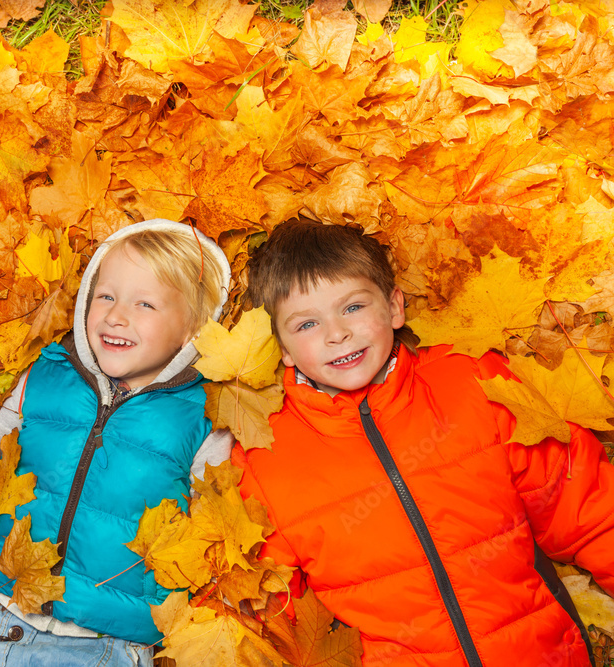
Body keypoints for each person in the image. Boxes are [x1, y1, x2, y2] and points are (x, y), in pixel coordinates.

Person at [234, 219, 614, 666]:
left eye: (353, 308)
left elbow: (588, 510)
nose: (336, 333)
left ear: (394, 306)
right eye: (307, 324)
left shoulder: (471, 381)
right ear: (280, 347)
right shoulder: (267, 455)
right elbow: (267, 610)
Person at [0, 219, 234, 667]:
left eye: (145, 303)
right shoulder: (47, 378)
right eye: (106, 296)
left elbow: (213, 523)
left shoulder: (202, 417)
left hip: (112, 637)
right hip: (7, 615)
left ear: (192, 331)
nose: (116, 315)